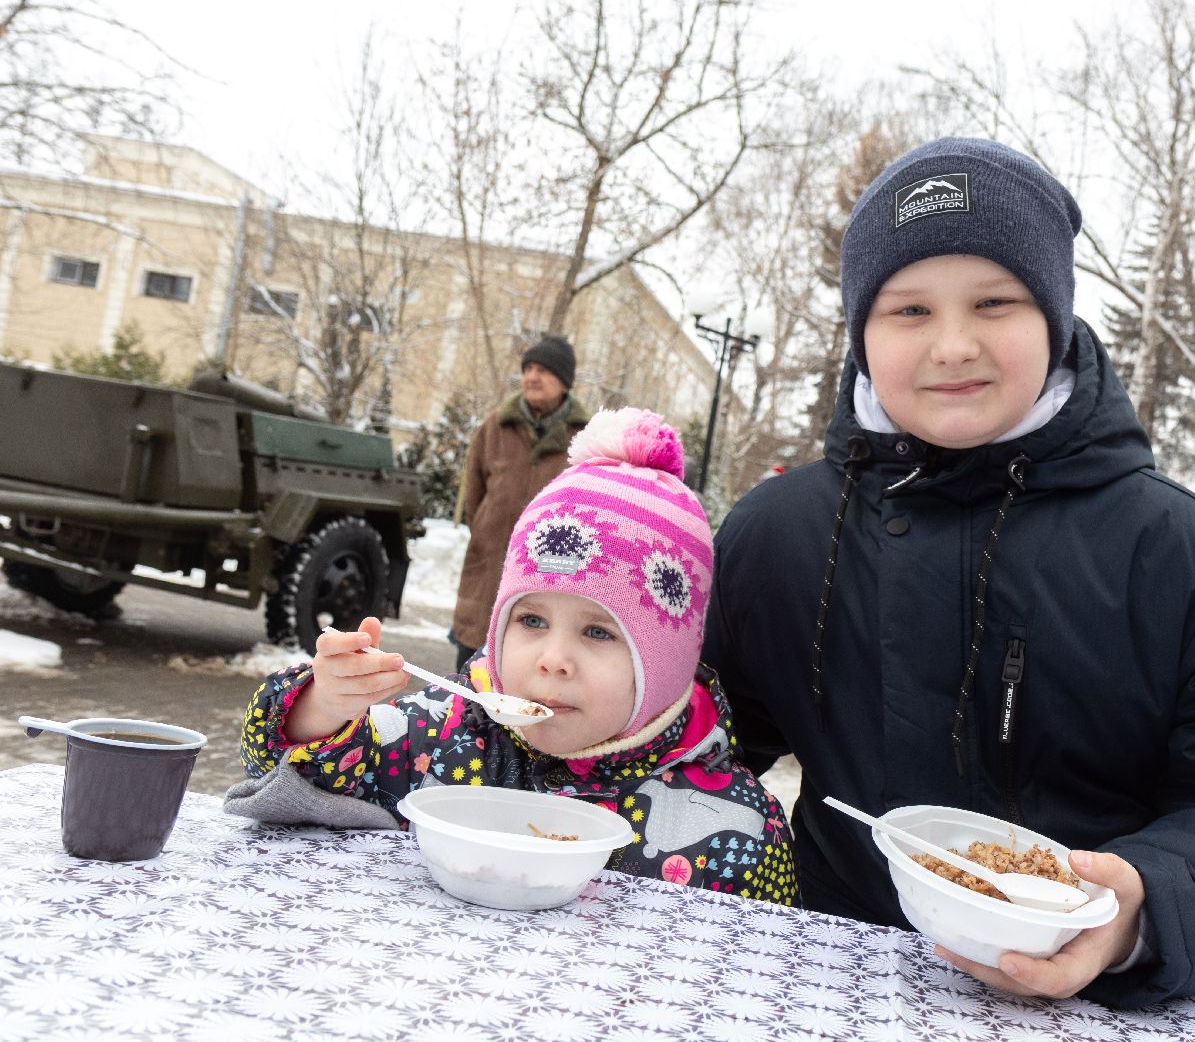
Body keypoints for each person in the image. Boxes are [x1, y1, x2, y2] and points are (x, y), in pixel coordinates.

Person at [701, 137, 1195, 1006]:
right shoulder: (781, 529)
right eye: (909, 311)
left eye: (994, 301)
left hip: (1092, 1001)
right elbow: (694, 737)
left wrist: (1138, 909)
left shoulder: (1187, 557)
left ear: (1054, 316)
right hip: (825, 971)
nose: (952, 345)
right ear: (861, 331)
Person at [241, 407, 799, 904]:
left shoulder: (736, 828)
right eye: (531, 621)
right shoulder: (439, 739)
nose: (553, 659)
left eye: (599, 633)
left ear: (667, 662)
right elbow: (276, 769)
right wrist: (322, 705)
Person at [451, 334, 591, 672]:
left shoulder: (585, 437)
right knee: (470, 670)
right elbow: (475, 493)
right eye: (528, 368)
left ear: (565, 383)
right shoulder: (495, 426)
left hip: (551, 571)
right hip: (489, 565)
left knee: (529, 665)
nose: (531, 376)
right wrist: (486, 529)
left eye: (543, 370)